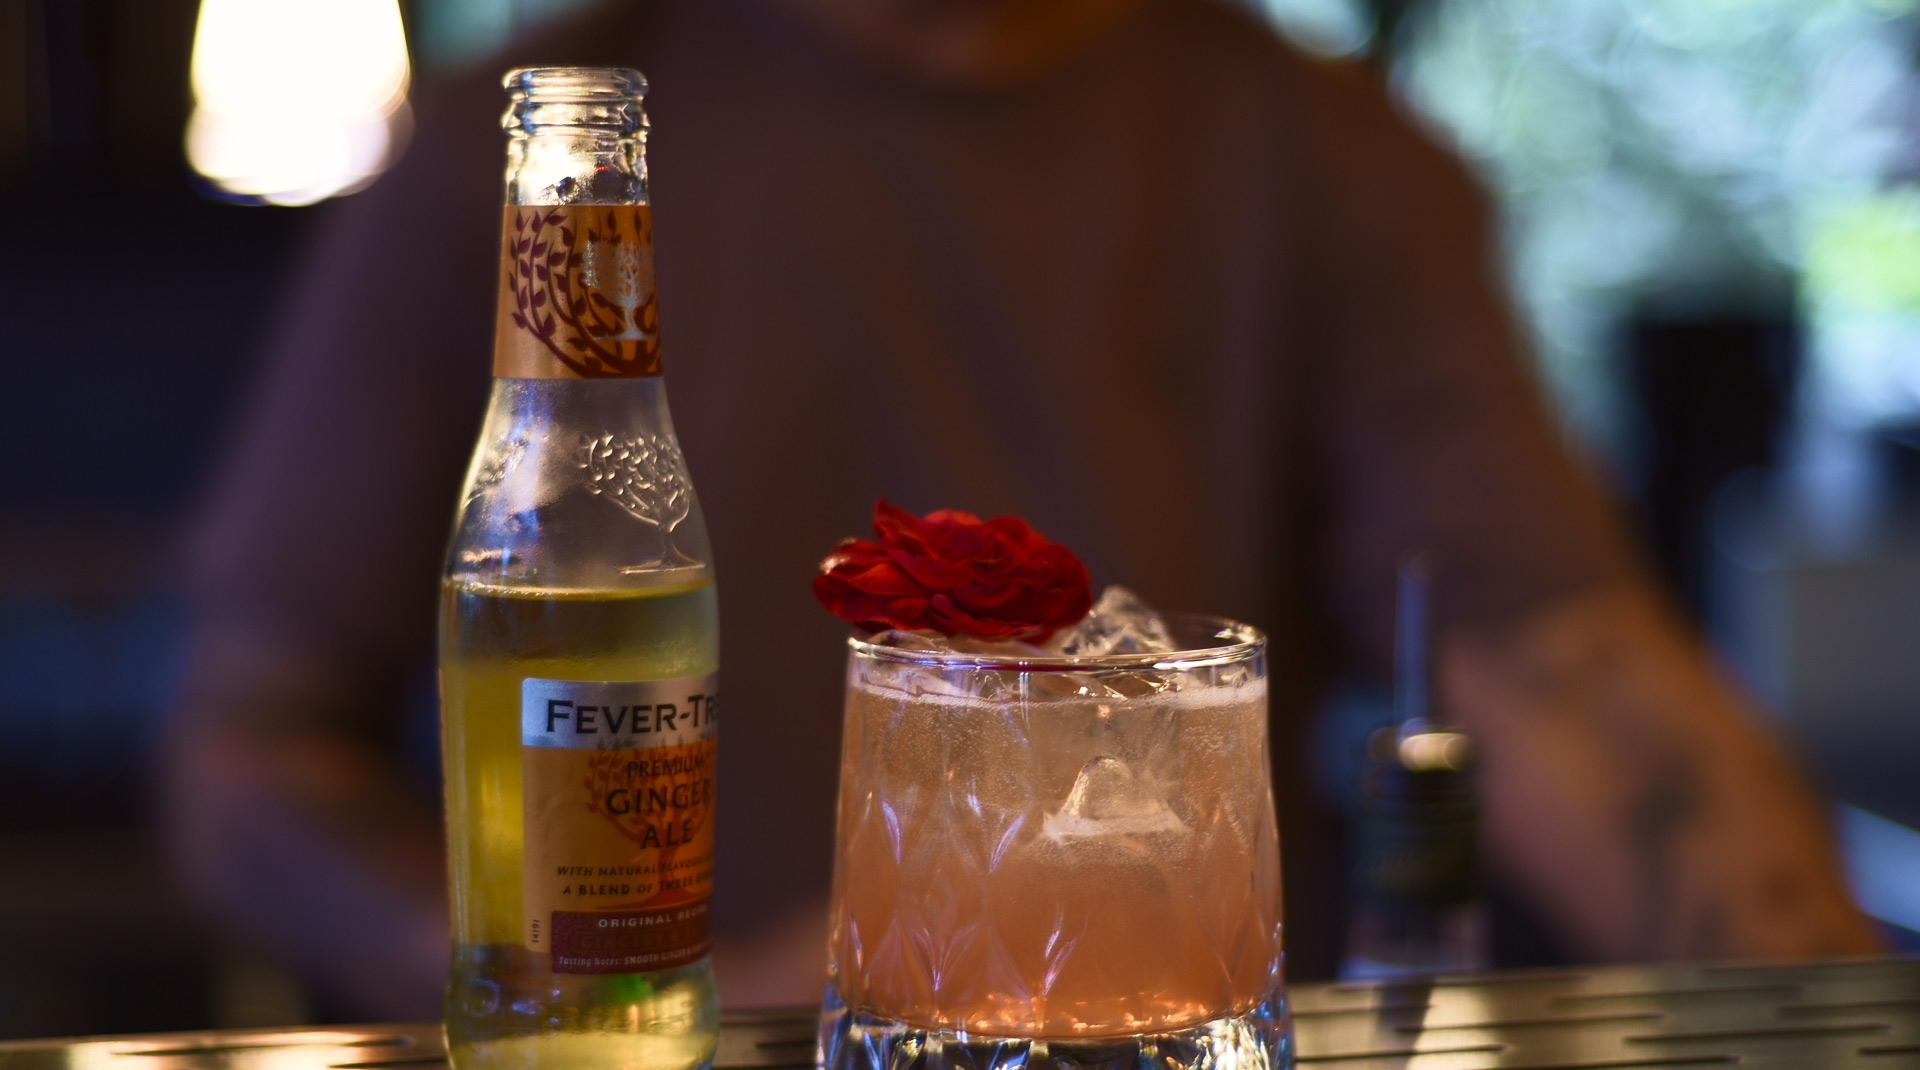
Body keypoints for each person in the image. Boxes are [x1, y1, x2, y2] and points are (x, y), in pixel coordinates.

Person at [161, 0, 1880, 1019]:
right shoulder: (527, 162)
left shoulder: (1321, 157)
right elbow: (249, 755)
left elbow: (1581, 692)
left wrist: (1836, 1009)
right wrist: (611, 1001)